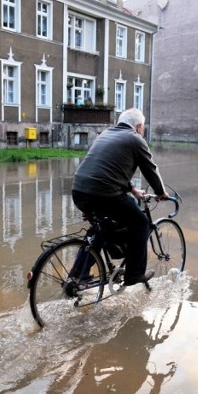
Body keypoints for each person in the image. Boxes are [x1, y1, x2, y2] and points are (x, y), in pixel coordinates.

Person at [72, 108, 169, 286]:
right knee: (140, 223)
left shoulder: (105, 134)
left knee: (100, 227)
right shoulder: (135, 139)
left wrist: (132, 190)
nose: (143, 130)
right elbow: (150, 169)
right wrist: (161, 193)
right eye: (143, 127)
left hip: (79, 191)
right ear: (139, 127)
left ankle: (77, 276)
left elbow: (107, 169)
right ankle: (134, 274)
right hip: (102, 194)